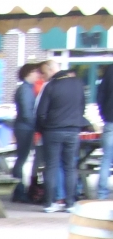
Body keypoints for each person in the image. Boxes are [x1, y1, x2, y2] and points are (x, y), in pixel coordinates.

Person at [36, 63, 86, 212]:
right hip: (73, 130)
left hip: (53, 130)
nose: (45, 77)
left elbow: (41, 112)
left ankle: (50, 203)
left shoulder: (51, 86)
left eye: (45, 73)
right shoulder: (78, 84)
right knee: (70, 167)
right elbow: (82, 106)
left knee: (51, 166)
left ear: (51, 70)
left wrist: (43, 128)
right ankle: (70, 203)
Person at [11, 62, 42, 202]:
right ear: (28, 73)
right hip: (25, 128)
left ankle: (19, 190)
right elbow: (26, 113)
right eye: (36, 72)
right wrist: (37, 125)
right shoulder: (25, 90)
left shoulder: (27, 88)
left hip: (24, 127)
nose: (38, 75)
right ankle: (19, 191)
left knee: (22, 159)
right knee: (21, 159)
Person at [98, 64, 113, 201]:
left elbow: (101, 93)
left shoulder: (110, 70)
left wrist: (103, 114)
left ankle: (102, 194)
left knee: (107, 158)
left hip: (110, 119)